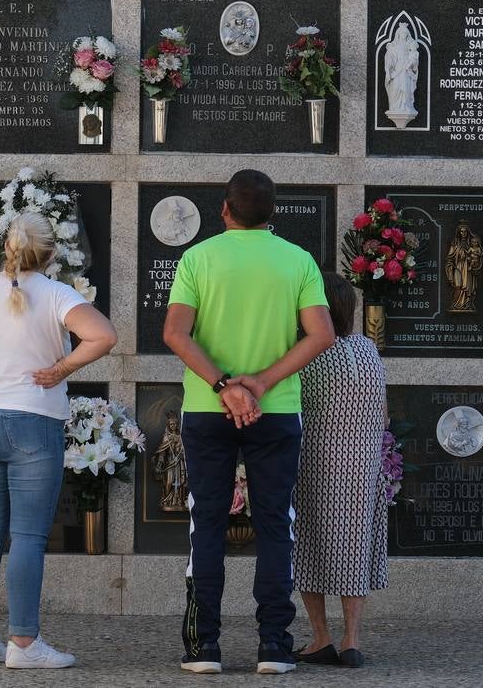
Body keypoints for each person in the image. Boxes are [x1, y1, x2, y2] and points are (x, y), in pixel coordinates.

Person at [162, 169, 336, 676]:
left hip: (206, 409)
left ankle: (203, 648)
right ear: (272, 213)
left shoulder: (198, 258)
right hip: (276, 410)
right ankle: (275, 647)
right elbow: (321, 334)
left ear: (224, 209)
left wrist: (225, 386)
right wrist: (260, 382)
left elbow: (175, 333)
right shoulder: (298, 260)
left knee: (207, 525)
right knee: (275, 526)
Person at [0, 211, 116, 670]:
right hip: (33, 422)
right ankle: (24, 643)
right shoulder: (58, 294)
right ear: (52, 253)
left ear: (6, 249)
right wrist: (60, 369)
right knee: (28, 536)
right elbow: (104, 336)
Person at [291, 272, 388, 669]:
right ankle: (352, 639)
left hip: (316, 462)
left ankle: (320, 637)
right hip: (364, 467)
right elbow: (383, 416)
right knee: (354, 547)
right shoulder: (368, 349)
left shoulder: (306, 353)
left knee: (310, 548)